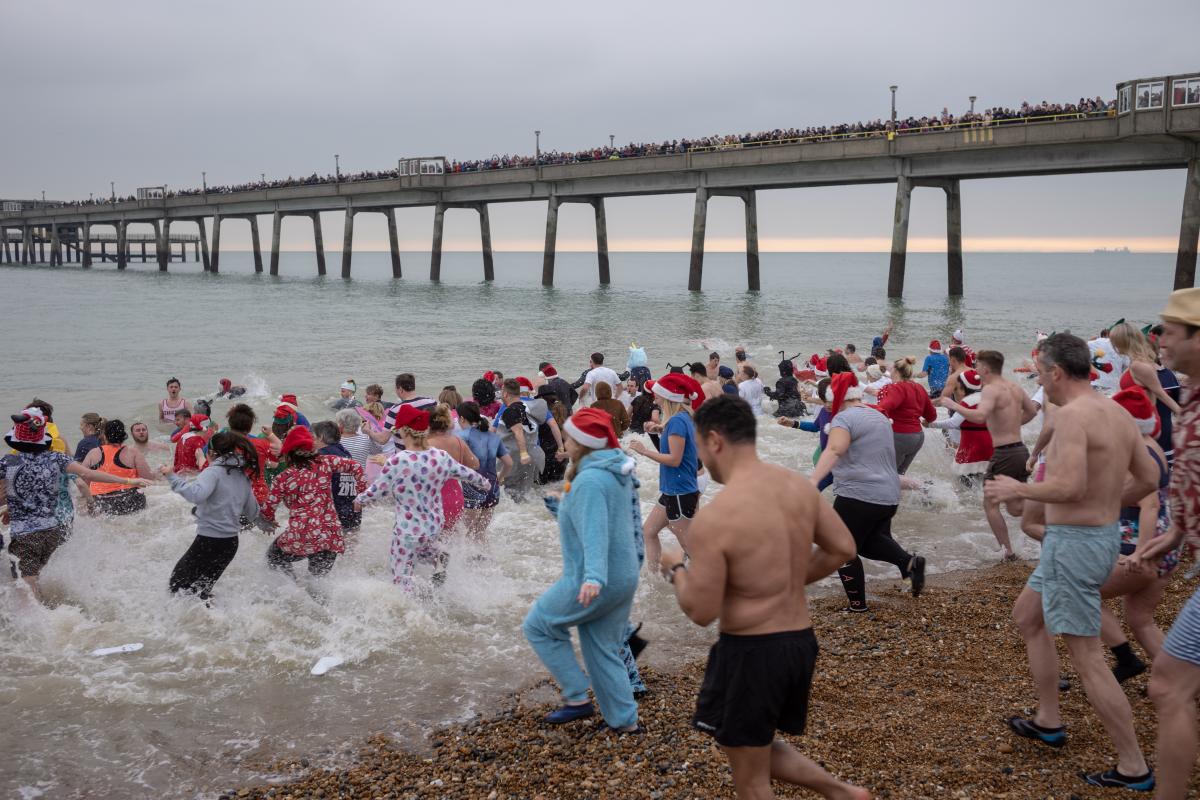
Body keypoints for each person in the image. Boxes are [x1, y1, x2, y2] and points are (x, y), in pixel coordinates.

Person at [656, 396, 867, 800]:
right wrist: (785, 580)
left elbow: (701, 611)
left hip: (753, 650)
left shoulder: (717, 519)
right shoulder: (796, 487)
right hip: (799, 643)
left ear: (715, 441)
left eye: (700, 448)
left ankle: (843, 792)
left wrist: (675, 569)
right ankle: (842, 792)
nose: (701, 460)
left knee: (751, 781)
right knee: (746, 742)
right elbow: (843, 548)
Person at [985, 333, 1157, 791]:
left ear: (1056, 372)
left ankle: (1133, 766)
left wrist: (1015, 489)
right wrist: (1107, 506)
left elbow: (1069, 487)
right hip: (1090, 538)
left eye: (1039, 372)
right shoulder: (1115, 412)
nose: (1038, 379)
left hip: (1074, 544)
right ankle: (1047, 718)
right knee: (1028, 616)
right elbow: (1149, 476)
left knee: (1087, 657)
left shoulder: (1075, 417)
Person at [522, 408, 642, 733]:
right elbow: (613, 521)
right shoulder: (614, 471)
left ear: (584, 443)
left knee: (539, 625)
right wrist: (563, 506)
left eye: (570, 436)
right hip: (624, 575)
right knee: (602, 647)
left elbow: (595, 532)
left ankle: (576, 697)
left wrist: (593, 578)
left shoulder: (589, 480)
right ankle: (625, 722)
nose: (566, 440)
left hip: (594, 578)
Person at [1132, 290, 1200, 798]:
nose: (1158, 338)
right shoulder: (1192, 392)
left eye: (1170, 331)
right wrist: (1178, 529)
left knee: (1168, 684)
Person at [1, 407, 150, 603]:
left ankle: (45, 624)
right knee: (35, 578)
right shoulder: (56, 458)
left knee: (25, 585)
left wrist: (11, 505)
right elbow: (87, 475)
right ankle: (53, 611)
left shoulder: (7, 462)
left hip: (25, 535)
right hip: (51, 532)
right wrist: (130, 481)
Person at [810, 373, 925, 612]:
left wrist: (812, 482)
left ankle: (857, 606)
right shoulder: (878, 416)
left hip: (858, 496)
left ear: (835, 399)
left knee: (841, 549)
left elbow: (835, 449)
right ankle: (909, 564)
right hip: (889, 494)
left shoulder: (843, 419)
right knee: (868, 543)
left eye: (828, 402)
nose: (827, 406)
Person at [354, 404, 489, 590]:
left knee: (400, 576)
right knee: (424, 548)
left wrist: (359, 501)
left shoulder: (398, 460)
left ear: (403, 431)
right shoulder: (440, 456)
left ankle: (414, 606)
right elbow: (469, 474)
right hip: (434, 525)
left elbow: (378, 490)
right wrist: (485, 483)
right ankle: (437, 556)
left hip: (408, 529)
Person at [940, 349, 1038, 560]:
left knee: (990, 504)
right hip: (1020, 450)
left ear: (985, 368)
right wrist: (1012, 425)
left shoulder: (991, 390)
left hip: (1003, 453)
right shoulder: (1014, 387)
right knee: (1015, 508)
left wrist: (954, 405)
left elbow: (979, 416)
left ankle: (1008, 551)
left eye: (976, 365)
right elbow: (1031, 412)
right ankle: (1052, 511)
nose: (975, 369)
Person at [164, 431, 261, 602]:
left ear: (211, 453)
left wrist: (172, 477)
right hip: (230, 544)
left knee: (176, 587)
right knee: (200, 593)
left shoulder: (213, 471)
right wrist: (266, 524)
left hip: (209, 542)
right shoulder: (242, 475)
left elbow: (196, 495)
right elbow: (253, 512)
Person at [260, 425, 365, 580]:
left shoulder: (283, 478)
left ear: (289, 453)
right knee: (318, 583)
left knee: (273, 558)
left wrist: (268, 522)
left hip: (301, 536)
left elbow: (268, 509)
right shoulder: (326, 462)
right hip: (331, 535)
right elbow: (355, 466)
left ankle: (293, 588)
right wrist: (362, 494)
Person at [628, 374, 701, 570]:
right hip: (672, 490)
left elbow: (675, 459)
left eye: (658, 395)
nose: (655, 399)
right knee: (648, 532)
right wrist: (660, 429)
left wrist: (644, 451)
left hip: (680, 491)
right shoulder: (680, 418)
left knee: (691, 548)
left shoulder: (677, 421)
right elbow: (678, 444)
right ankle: (654, 579)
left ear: (669, 397)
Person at [1110, 321, 1182, 463]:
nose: (1113, 345)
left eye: (1114, 341)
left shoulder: (1139, 366)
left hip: (1145, 426)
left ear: (1122, 341)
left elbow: (1161, 394)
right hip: (1139, 424)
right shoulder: (1137, 362)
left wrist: (1186, 419)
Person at [455, 401, 512, 543]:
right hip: (492, 488)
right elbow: (509, 463)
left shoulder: (462, 437)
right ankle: (487, 562)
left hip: (472, 488)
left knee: (467, 534)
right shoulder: (493, 437)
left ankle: (468, 564)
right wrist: (500, 477)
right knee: (480, 533)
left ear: (462, 419)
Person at [928, 369, 993, 486]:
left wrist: (931, 424)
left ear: (963, 388)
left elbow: (953, 423)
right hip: (990, 444)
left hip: (972, 445)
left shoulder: (967, 402)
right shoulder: (988, 398)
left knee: (964, 481)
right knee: (983, 479)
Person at [876, 357, 936, 475]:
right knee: (898, 476)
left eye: (892, 369)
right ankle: (917, 491)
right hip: (917, 437)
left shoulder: (897, 387)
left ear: (896, 371)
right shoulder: (919, 387)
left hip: (900, 437)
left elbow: (883, 408)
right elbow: (932, 415)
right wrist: (925, 420)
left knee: (886, 475)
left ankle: (917, 488)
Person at [427, 403, 480, 534]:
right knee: (450, 539)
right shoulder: (458, 442)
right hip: (454, 497)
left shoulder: (424, 445)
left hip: (431, 499)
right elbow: (475, 464)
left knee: (432, 545)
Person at [81, 420, 154, 515]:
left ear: (105, 435)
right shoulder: (133, 452)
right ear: (124, 435)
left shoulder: (93, 453)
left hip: (102, 501)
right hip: (130, 498)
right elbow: (147, 477)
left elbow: (82, 479)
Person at [494, 379, 544, 501]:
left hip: (517, 458)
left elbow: (518, 432)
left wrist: (523, 453)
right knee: (525, 493)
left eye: (501, 393)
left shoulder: (509, 411)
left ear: (505, 394)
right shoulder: (530, 409)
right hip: (534, 455)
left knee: (511, 495)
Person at [313, 421, 364, 537]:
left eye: (313, 437)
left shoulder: (322, 456)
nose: (311, 441)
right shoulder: (345, 452)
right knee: (349, 549)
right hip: (353, 511)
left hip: (335, 513)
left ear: (320, 437)